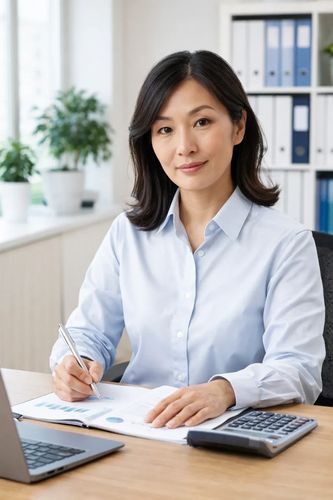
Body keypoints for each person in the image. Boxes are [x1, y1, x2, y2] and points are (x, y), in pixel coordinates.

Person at [50, 50, 325, 430]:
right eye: (165, 129)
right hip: (137, 432)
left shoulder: (286, 244)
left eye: (202, 122)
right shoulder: (128, 234)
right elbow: (88, 332)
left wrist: (225, 390)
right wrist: (73, 362)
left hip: (233, 439)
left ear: (238, 126)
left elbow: (300, 369)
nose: (184, 147)